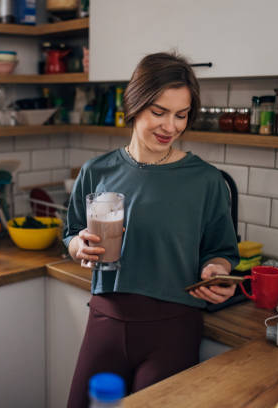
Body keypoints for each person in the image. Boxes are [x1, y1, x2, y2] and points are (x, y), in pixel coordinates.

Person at [63, 52, 240, 407]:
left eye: (181, 115)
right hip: (106, 320)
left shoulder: (205, 180)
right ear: (134, 104)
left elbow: (221, 250)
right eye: (158, 112)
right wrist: (78, 246)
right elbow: (71, 234)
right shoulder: (96, 171)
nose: (170, 127)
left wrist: (217, 271)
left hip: (173, 329)